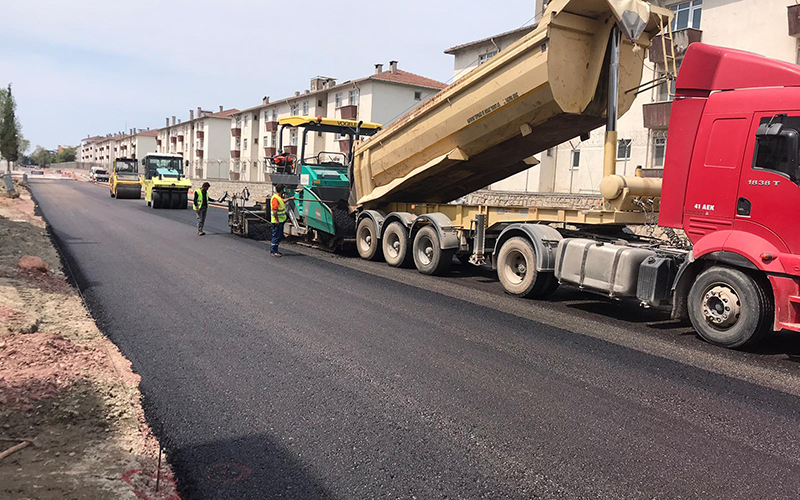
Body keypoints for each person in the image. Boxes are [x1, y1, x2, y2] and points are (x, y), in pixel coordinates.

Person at [270, 185, 290, 257]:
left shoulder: (278, 197)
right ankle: (273, 251)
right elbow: (274, 210)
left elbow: (283, 201)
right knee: (276, 236)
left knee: (279, 236)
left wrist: (290, 198)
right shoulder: (275, 198)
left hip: (281, 220)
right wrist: (277, 220)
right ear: (281, 190)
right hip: (277, 221)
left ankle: (275, 250)